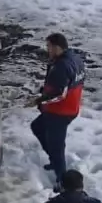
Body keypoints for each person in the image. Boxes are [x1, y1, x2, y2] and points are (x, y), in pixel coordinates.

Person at [30, 32, 86, 183]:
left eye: (49, 46)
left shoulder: (61, 66)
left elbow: (59, 94)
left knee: (56, 146)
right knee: (37, 127)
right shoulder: (75, 59)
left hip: (60, 112)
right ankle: (56, 162)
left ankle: (63, 180)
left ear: (56, 47)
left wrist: (39, 101)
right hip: (69, 107)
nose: (47, 49)